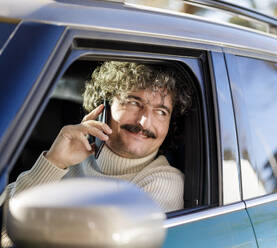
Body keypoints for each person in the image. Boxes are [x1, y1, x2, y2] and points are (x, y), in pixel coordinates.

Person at [5, 61, 193, 212]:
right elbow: (6, 228)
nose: (144, 122)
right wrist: (53, 162)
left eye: (161, 112)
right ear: (102, 108)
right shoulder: (69, 160)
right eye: (134, 103)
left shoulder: (163, 183)